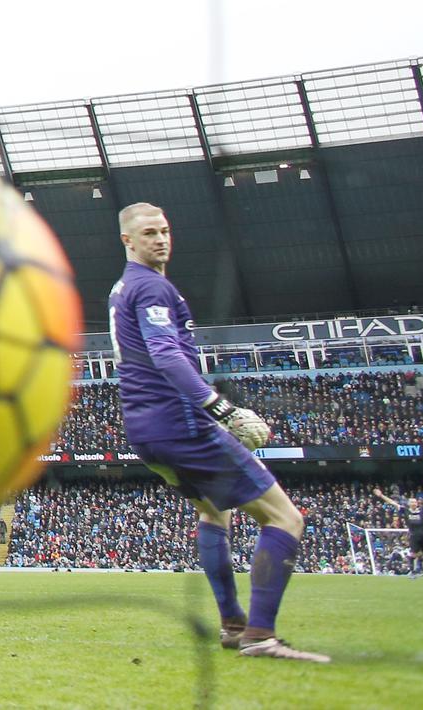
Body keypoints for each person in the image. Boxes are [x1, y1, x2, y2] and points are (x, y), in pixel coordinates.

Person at [108, 202, 329, 663]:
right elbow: (167, 355)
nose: (160, 239)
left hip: (144, 428)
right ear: (127, 240)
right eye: (148, 233)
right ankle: (260, 636)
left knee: (214, 514)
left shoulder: (125, 287)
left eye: (165, 230)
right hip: (180, 422)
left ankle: (232, 624)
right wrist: (220, 408)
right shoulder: (151, 287)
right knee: (285, 519)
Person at [372, 488, 423, 576]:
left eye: (415, 502)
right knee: (415, 554)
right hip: (414, 536)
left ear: (417, 503)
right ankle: (412, 571)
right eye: (411, 502)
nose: (413, 503)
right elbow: (393, 503)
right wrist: (381, 496)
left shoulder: (422, 510)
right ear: (409, 504)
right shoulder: (406, 510)